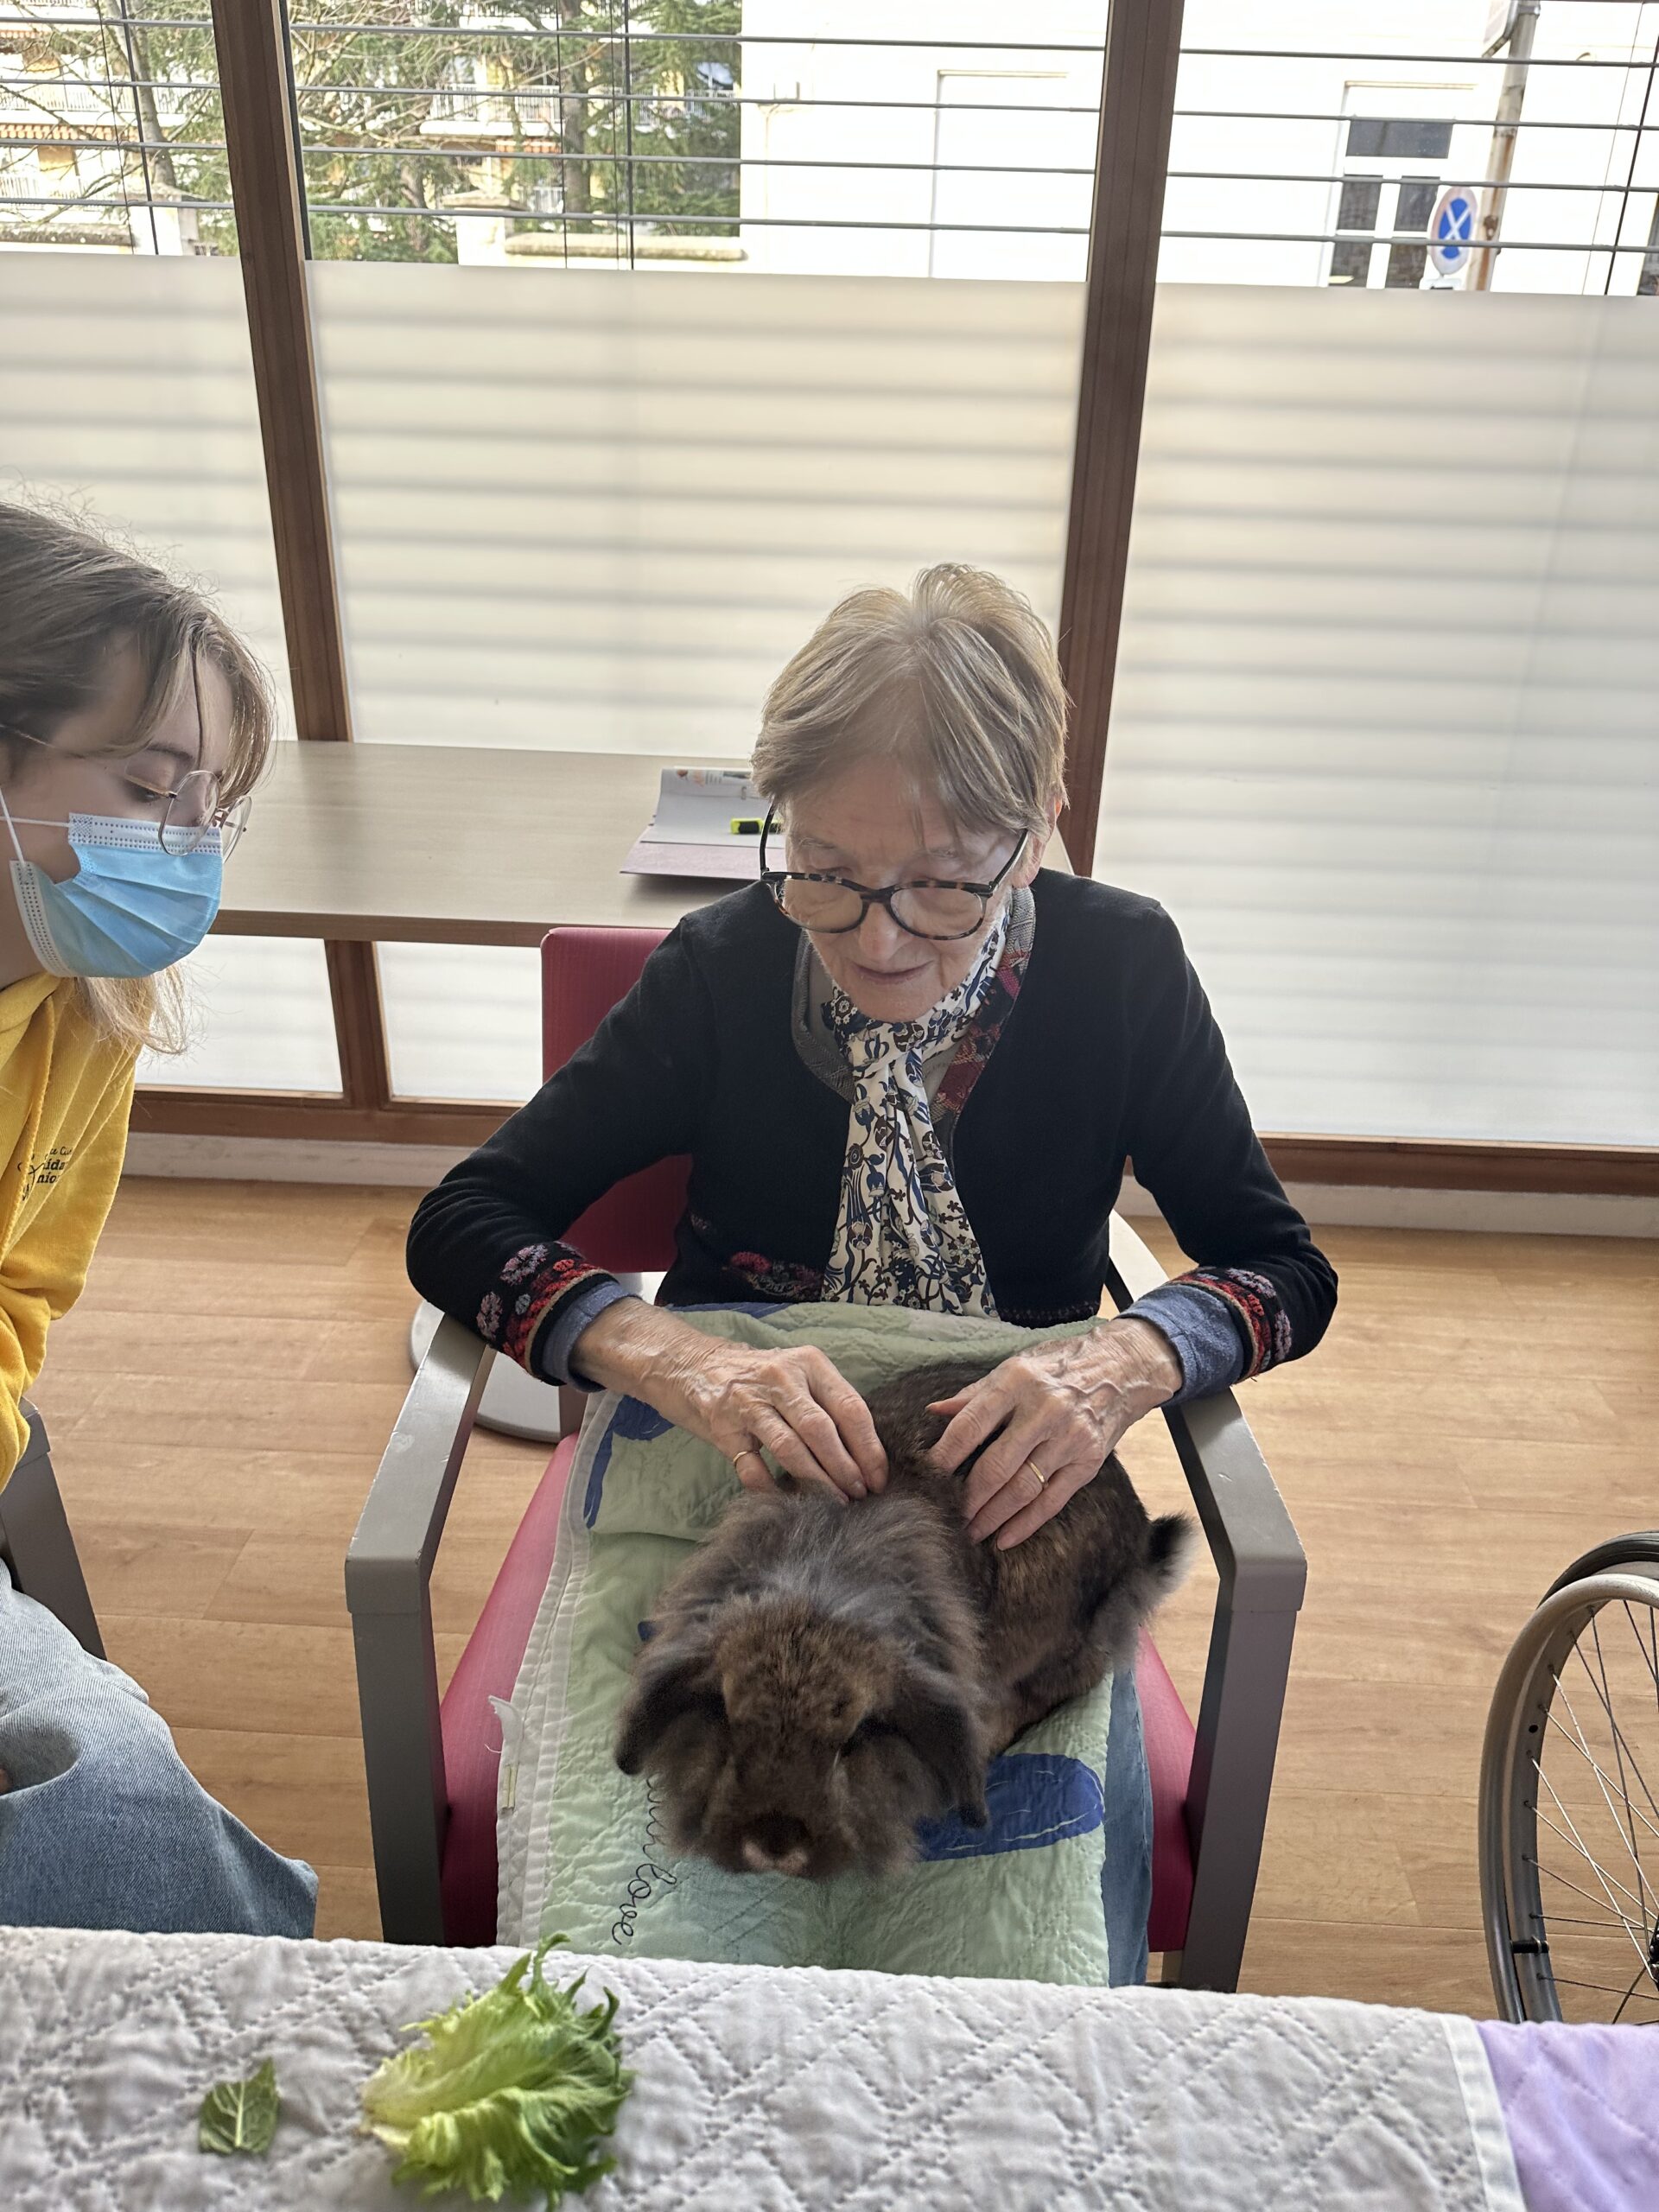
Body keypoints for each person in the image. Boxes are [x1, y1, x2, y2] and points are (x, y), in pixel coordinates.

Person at [409, 563, 1337, 1980]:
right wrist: (673, 1356)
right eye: (826, 871)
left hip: (1000, 1521)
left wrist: (1122, 1359)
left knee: (1005, 1969)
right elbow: (466, 1221)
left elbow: (1281, 1266)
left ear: (1039, 830)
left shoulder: (1121, 971)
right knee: (646, 1944)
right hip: (730, 1482)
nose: (877, 938)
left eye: (944, 885)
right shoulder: (720, 969)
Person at [0, 499, 315, 1935]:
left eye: (210, 804)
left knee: (117, 1785)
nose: (189, 844)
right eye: (149, 787)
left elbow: (21, 1292)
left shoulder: (90, 1013)